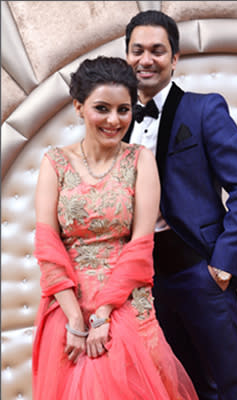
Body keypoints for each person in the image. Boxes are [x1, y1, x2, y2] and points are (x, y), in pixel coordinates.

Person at [32, 56, 198, 399]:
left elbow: (141, 243)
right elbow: (48, 245)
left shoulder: (139, 160)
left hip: (125, 297)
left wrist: (104, 314)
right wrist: (76, 320)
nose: (114, 120)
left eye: (123, 110)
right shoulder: (55, 162)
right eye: (102, 108)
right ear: (79, 107)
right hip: (67, 300)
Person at [122, 10, 237, 400]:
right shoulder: (119, 121)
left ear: (175, 57)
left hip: (200, 269)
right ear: (128, 56)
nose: (146, 59)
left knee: (232, 382)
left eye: (157, 50)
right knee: (182, 383)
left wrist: (222, 265)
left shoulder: (204, 109)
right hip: (147, 278)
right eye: (138, 51)